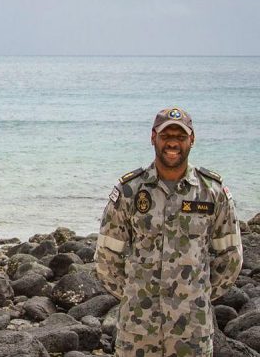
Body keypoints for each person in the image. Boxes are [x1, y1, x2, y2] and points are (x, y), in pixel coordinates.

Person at [95, 107, 243, 357]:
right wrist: (135, 294)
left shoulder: (212, 192)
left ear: (191, 140)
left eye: (180, 136)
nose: (172, 142)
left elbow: (231, 258)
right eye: (166, 135)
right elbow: (106, 256)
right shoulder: (130, 190)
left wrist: (197, 293)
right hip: (137, 329)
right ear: (153, 137)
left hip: (192, 331)